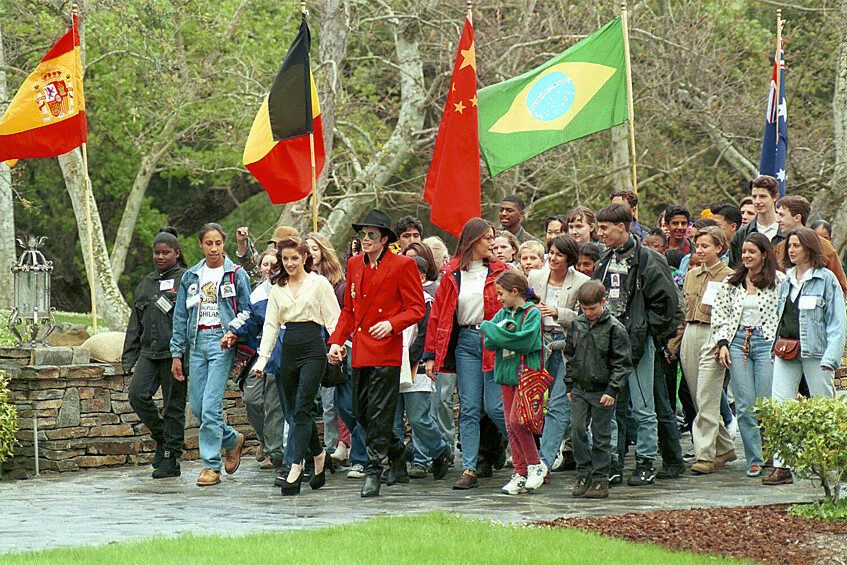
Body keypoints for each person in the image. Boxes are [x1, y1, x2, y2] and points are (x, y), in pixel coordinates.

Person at [327, 209, 426, 497]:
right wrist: (336, 341)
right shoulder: (355, 264)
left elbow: (417, 308)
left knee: (380, 413)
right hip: (359, 349)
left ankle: (373, 470)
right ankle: (398, 453)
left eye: (372, 235)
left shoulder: (403, 264)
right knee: (359, 412)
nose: (366, 239)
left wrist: (392, 323)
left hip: (386, 350)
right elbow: (349, 309)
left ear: (384, 239)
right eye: (363, 234)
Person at [593, 204, 681, 486]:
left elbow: (668, 304)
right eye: (599, 227)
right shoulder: (603, 259)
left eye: (605, 227)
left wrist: (645, 332)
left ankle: (645, 461)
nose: (600, 232)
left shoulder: (650, 259)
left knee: (644, 407)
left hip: (638, 345)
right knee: (610, 408)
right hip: (608, 343)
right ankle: (613, 462)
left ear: (623, 226)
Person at [245, 237, 341, 495]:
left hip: (313, 348)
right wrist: (262, 360)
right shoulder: (277, 288)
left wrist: (337, 345)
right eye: (285, 259)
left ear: (305, 258)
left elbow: (334, 318)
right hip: (289, 350)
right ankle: (319, 456)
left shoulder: (318, 283)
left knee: (301, 408)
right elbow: (271, 327)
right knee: (298, 413)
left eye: (294, 258)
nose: (289, 263)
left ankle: (295, 468)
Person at [423, 218, 510, 490]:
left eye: (494, 237)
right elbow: (437, 316)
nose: (493, 242)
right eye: (487, 237)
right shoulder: (451, 273)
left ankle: (530, 457)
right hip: (466, 342)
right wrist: (430, 355)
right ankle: (469, 468)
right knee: (469, 408)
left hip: (494, 342)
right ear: (472, 241)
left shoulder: (501, 271)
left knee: (496, 406)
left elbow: (521, 303)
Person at [170, 223, 252, 487]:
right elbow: (181, 317)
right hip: (196, 344)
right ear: (201, 245)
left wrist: (236, 337)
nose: (214, 248)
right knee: (197, 405)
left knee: (212, 405)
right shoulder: (191, 276)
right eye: (209, 243)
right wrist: (176, 353)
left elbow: (248, 311)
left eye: (218, 243)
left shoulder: (236, 274)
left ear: (224, 244)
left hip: (222, 342)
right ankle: (231, 439)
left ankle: (210, 466)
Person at [764, 228, 847, 485]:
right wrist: (772, 349)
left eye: (797, 245)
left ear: (810, 248)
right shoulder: (784, 279)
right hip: (785, 350)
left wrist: (831, 358)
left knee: (823, 407)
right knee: (780, 408)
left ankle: (833, 463)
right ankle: (782, 465)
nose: (791, 249)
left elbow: (837, 322)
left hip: (816, 353)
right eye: (790, 245)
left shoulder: (826, 279)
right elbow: (778, 316)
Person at [712, 233, 783, 477]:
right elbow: (719, 314)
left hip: (766, 343)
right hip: (738, 343)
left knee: (765, 403)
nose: (746, 256)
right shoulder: (731, 282)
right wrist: (722, 343)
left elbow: (784, 313)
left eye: (752, 251)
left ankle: (773, 455)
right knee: (743, 404)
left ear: (764, 254)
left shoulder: (779, 281)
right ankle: (754, 457)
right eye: (743, 252)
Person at [122, 228, 188, 479]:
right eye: (156, 253)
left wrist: (182, 355)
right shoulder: (146, 283)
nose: (160, 257)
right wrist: (129, 356)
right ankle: (162, 436)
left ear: (177, 253)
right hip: (149, 354)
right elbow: (134, 322)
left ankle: (172, 458)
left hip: (174, 355)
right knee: (137, 395)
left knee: (174, 406)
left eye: (166, 253)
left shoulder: (186, 279)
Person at [669, 226, 735, 475]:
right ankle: (726, 447)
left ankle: (704, 454)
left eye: (705, 246)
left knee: (708, 395)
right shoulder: (692, 274)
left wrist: (723, 343)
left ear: (719, 248)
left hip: (714, 334)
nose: (700, 250)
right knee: (698, 397)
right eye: (697, 246)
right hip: (690, 332)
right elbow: (683, 309)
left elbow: (730, 315)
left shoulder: (730, 276)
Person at [564, 281, 632, 499]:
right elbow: (570, 356)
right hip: (579, 389)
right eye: (584, 309)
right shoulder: (577, 324)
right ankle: (583, 472)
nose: (588, 313)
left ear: (603, 303)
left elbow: (622, 363)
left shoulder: (615, 328)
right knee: (576, 430)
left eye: (592, 308)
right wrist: (569, 384)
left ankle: (601, 476)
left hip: (602, 390)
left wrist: (612, 390)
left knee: (602, 436)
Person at [480, 270, 546, 495]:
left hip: (526, 374)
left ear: (515, 291)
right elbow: (490, 344)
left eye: (501, 294)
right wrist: (499, 334)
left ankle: (535, 465)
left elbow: (524, 342)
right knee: (510, 425)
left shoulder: (532, 313)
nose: (498, 299)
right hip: (507, 374)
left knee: (519, 421)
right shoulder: (503, 313)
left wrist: (490, 328)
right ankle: (520, 472)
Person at [528, 235, 588, 474]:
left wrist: (557, 312)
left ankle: (544, 461)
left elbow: (583, 316)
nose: (552, 258)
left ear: (569, 259)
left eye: (558, 255)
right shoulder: (535, 276)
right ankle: (531, 455)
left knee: (559, 404)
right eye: (550, 252)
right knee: (530, 401)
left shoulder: (581, 281)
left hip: (566, 345)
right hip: (539, 343)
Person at [223, 250, 287, 471]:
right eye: (266, 264)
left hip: (282, 355)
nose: (270, 268)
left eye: (274, 264)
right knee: (251, 400)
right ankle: (264, 439)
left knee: (276, 403)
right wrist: (233, 332)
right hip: (258, 357)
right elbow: (248, 317)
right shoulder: (259, 293)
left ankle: (274, 451)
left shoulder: (291, 289)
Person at [392, 255, 452, 482]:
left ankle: (439, 450)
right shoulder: (392, 301)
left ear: (422, 277)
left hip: (414, 366)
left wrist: (410, 360)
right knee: (394, 422)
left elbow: (426, 335)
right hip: (392, 366)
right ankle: (398, 466)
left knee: (418, 418)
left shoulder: (427, 301)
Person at [306, 233, 348, 461]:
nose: (312, 252)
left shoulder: (337, 284)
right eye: (308, 248)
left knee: (332, 402)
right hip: (309, 344)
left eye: (315, 248)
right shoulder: (300, 281)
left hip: (332, 345)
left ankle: (335, 447)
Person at [773, 195, 847, 295]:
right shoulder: (780, 248)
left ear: (797, 218)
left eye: (782, 215)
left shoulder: (824, 247)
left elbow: (840, 287)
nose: (777, 220)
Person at [729, 176, 784, 268]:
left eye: (763, 197)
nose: (757, 201)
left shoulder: (786, 231)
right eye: (754, 197)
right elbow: (734, 268)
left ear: (775, 197)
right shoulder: (741, 234)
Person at [235, 225, 300, 278]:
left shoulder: (301, 269)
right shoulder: (268, 265)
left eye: (281, 246)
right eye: (275, 244)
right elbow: (250, 265)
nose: (277, 248)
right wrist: (241, 242)